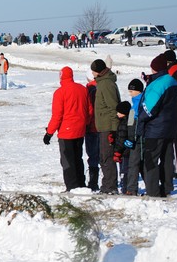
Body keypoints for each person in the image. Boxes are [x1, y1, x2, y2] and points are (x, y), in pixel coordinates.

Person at [137, 53, 177, 197]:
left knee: (151, 161)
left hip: (155, 129)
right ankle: (167, 187)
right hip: (170, 127)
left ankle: (152, 191)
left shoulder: (158, 84)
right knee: (168, 159)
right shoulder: (172, 81)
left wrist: (141, 119)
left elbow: (149, 108)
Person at [43, 67, 89, 191]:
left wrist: (49, 133)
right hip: (80, 129)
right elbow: (88, 109)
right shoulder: (82, 89)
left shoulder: (60, 92)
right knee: (78, 158)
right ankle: (81, 183)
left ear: (61, 76)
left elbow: (57, 115)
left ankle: (72, 186)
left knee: (68, 160)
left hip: (66, 132)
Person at [90, 59, 121, 193]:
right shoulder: (102, 82)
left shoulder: (106, 84)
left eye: (93, 70)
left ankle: (110, 187)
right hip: (103, 125)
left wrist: (113, 130)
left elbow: (113, 107)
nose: (92, 73)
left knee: (107, 157)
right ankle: (107, 185)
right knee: (104, 157)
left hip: (108, 126)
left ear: (98, 71)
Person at [121, 79, 145, 194]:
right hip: (132, 137)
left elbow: (133, 123)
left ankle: (131, 189)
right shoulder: (134, 103)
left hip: (136, 138)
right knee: (136, 164)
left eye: (131, 91)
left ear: (138, 91)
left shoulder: (139, 103)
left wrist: (131, 138)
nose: (130, 94)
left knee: (134, 164)